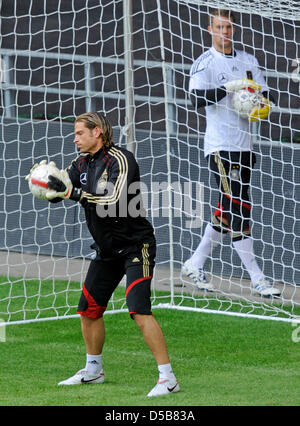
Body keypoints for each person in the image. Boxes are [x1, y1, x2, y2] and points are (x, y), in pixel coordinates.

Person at [28, 112, 179, 397]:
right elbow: (65, 188)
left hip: (136, 246)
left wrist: (71, 192)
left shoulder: (121, 159)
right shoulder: (81, 162)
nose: (75, 139)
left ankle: (168, 378)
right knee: (89, 309)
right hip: (107, 250)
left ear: (97, 132)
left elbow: (113, 199)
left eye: (79, 133)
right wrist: (46, 187)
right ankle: (93, 370)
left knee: (138, 310)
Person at [182, 8, 281, 297]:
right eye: (219, 27)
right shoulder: (205, 62)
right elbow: (196, 99)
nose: (224, 33)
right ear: (210, 29)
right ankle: (257, 277)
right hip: (219, 146)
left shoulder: (248, 60)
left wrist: (257, 102)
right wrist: (228, 88)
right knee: (240, 204)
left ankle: (194, 263)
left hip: (245, 145)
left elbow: (267, 94)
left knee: (229, 205)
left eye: (228, 27)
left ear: (234, 29)